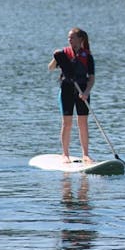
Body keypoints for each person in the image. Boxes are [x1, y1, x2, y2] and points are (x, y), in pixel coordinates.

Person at [48, 27, 95, 164]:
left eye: (72, 37)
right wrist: (56, 58)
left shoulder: (88, 56)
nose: (69, 40)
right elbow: (50, 68)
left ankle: (85, 155)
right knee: (67, 123)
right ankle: (65, 154)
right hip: (67, 90)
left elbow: (91, 78)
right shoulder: (64, 53)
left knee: (83, 123)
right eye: (68, 37)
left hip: (83, 91)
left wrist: (86, 92)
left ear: (80, 39)